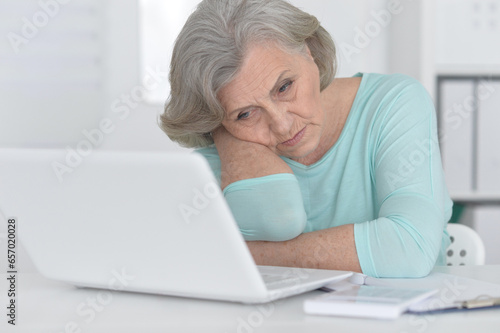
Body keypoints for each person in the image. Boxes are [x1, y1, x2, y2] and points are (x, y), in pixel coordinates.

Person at [159, 0, 453, 278]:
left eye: (284, 87)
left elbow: (410, 247)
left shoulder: (394, 102)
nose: (283, 125)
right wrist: (231, 138)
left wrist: (249, 255)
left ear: (309, 51)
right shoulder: (225, 152)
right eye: (247, 113)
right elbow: (179, 261)